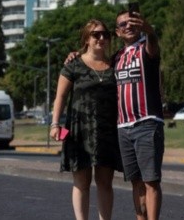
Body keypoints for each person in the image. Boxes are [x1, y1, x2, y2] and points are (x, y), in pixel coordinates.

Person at [51, 19, 121, 220]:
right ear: (86, 39)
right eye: (96, 34)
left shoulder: (115, 64)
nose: (101, 38)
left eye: (105, 34)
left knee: (105, 182)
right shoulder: (74, 64)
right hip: (79, 129)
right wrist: (55, 123)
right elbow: (61, 97)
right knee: (82, 182)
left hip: (107, 130)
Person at [113, 9, 164, 220]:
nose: (128, 26)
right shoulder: (116, 57)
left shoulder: (146, 50)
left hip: (147, 124)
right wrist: (77, 54)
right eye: (123, 24)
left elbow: (153, 42)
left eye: (132, 22)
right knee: (135, 182)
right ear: (117, 32)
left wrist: (149, 30)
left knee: (151, 181)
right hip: (123, 128)